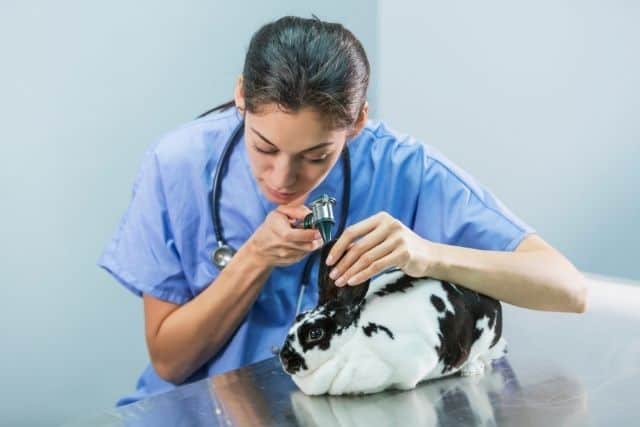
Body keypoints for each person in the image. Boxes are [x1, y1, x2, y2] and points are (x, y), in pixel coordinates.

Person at [98, 15, 588, 406]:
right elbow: (170, 363)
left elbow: (567, 288)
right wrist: (254, 259)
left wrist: (427, 255)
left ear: (357, 122)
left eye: (317, 157)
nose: (282, 179)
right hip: (199, 412)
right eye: (264, 147)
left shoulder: (401, 167)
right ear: (241, 96)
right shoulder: (178, 165)